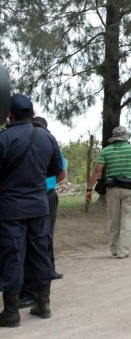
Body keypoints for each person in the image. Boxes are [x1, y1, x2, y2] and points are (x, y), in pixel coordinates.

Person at [0, 94, 63, 327]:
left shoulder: (4, 138)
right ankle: (43, 304)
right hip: (39, 206)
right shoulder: (47, 138)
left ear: (10, 114)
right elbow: (56, 170)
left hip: (10, 210)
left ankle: (11, 312)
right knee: (41, 254)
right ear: (32, 113)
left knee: (13, 255)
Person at [19, 116, 68, 309]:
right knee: (44, 239)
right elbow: (62, 173)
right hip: (47, 195)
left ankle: (28, 291)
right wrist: (48, 183)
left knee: (27, 241)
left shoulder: (26, 143)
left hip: (30, 196)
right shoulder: (51, 144)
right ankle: (45, 284)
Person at [85, 126, 131, 259]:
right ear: (126, 137)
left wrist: (89, 189)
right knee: (127, 219)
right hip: (129, 189)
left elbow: (97, 170)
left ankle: (113, 249)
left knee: (113, 218)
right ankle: (123, 251)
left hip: (111, 189)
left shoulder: (105, 151)